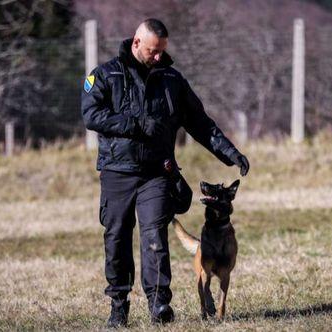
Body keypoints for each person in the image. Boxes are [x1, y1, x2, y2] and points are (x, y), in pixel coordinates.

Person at [81, 18, 250, 327]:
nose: (158, 57)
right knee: (117, 237)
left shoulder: (172, 80)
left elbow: (200, 122)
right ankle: (119, 307)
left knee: (154, 235)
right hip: (117, 171)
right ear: (136, 43)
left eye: (162, 51)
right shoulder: (105, 76)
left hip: (157, 172)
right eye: (152, 51)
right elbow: (91, 115)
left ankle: (159, 304)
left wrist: (231, 153)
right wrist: (133, 124)